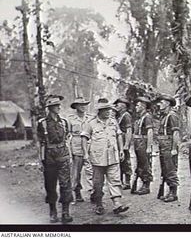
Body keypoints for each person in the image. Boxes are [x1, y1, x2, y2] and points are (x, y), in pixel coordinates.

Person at [81, 99, 129, 215]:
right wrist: (85, 153)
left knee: (115, 180)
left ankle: (117, 203)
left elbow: (118, 135)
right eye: (106, 110)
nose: (109, 112)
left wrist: (121, 149)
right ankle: (98, 204)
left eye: (109, 109)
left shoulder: (113, 121)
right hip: (97, 158)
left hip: (112, 156)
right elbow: (84, 138)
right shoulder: (91, 123)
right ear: (100, 111)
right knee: (98, 183)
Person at [37, 95, 73, 223]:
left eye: (59, 105)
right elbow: (41, 143)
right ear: (50, 108)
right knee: (50, 185)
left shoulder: (64, 122)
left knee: (66, 184)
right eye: (56, 105)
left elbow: (68, 139)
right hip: (49, 156)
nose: (59, 107)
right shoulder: (42, 123)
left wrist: (69, 156)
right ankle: (53, 212)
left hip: (63, 155)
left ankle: (65, 212)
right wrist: (41, 160)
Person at [154, 94, 180, 202]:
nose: (159, 104)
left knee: (170, 169)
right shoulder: (163, 116)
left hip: (169, 145)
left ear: (168, 103)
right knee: (165, 170)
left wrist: (174, 148)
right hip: (163, 145)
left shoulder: (172, 115)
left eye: (162, 102)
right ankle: (169, 191)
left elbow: (176, 133)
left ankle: (173, 193)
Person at [68, 96, 94, 202]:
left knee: (91, 171)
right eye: (81, 105)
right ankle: (77, 192)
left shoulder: (91, 118)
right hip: (77, 148)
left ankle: (93, 192)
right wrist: (69, 152)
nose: (83, 107)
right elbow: (68, 136)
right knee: (76, 173)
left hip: (89, 147)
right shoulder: (70, 119)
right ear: (76, 107)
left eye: (85, 105)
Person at [132, 96, 154, 195]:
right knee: (140, 164)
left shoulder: (147, 117)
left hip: (143, 142)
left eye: (138, 105)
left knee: (145, 164)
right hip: (138, 143)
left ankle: (146, 185)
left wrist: (149, 146)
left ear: (143, 106)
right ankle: (141, 183)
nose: (136, 107)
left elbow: (150, 131)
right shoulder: (140, 117)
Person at [114, 98, 133, 190]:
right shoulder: (118, 116)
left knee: (126, 162)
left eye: (119, 104)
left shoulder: (126, 115)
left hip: (124, 139)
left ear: (124, 106)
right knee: (119, 161)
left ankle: (128, 182)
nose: (117, 106)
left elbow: (129, 130)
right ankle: (120, 181)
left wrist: (126, 144)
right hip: (118, 140)